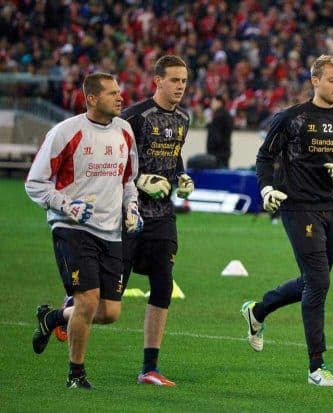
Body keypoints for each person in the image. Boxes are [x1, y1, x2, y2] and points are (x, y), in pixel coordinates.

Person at [241, 54, 333, 387]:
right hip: (297, 207)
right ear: (315, 80)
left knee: (313, 280)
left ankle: (258, 310)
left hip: (329, 208)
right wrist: (266, 188)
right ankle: (316, 367)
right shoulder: (292, 118)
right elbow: (265, 156)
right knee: (319, 283)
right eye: (332, 80)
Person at [25, 72, 141, 389]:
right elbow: (35, 184)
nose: (121, 98)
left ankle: (52, 318)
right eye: (112, 93)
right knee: (87, 302)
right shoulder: (65, 133)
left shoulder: (125, 132)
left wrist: (132, 208)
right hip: (72, 227)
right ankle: (76, 375)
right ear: (91, 98)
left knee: (109, 312)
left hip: (111, 231)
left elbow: (128, 181)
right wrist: (67, 205)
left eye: (120, 92)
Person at [120, 55, 194, 387]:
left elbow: (173, 153)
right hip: (127, 212)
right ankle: (57, 315)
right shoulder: (133, 117)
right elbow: (113, 162)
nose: (180, 86)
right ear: (157, 81)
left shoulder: (183, 118)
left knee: (163, 283)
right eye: (174, 80)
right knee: (110, 299)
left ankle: (149, 368)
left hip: (163, 214)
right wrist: (137, 182)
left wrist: (181, 176)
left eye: (184, 80)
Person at [206, 95, 234, 168]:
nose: (211, 104)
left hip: (217, 154)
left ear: (219, 102)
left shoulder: (218, 117)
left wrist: (211, 150)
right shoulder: (227, 115)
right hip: (225, 152)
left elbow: (215, 137)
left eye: (213, 102)